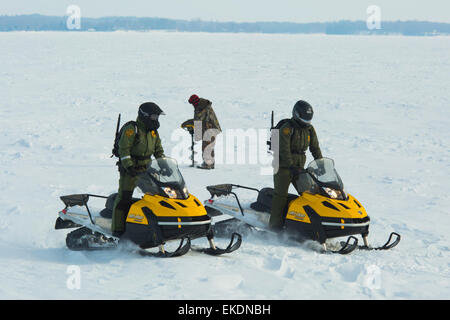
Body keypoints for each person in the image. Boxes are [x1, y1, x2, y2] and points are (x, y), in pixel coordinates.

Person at [111, 102, 166, 237]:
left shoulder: (153, 132)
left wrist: (164, 165)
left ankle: (156, 227)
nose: (156, 120)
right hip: (130, 169)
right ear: (145, 116)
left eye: (157, 117)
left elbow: (158, 150)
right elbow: (124, 150)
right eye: (154, 117)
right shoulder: (132, 129)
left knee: (155, 198)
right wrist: (129, 166)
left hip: (147, 169)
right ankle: (118, 229)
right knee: (124, 197)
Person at [269, 100, 323, 231]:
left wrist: (320, 163)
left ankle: (312, 226)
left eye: (308, 119)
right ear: (297, 114)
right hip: (283, 167)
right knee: (280, 196)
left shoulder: (309, 129)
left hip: (299, 167)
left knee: (310, 195)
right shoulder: (287, 128)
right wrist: (291, 165)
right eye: (304, 118)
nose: (306, 121)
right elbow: (284, 149)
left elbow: (315, 147)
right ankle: (274, 227)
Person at [184, 94, 222, 169]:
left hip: (210, 129)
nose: (192, 105)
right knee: (209, 146)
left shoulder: (201, 107)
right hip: (211, 128)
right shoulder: (202, 105)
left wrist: (189, 123)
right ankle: (211, 164)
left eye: (192, 103)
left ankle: (207, 164)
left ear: (195, 102)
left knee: (206, 146)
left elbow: (198, 120)